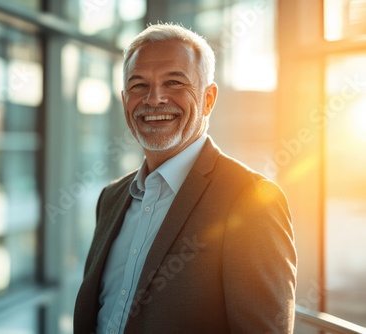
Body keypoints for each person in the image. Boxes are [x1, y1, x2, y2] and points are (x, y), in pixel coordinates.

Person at [74, 23, 297, 334]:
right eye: (139, 85)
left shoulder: (252, 200)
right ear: (125, 99)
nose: (154, 99)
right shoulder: (111, 198)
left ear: (208, 99)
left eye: (174, 82)